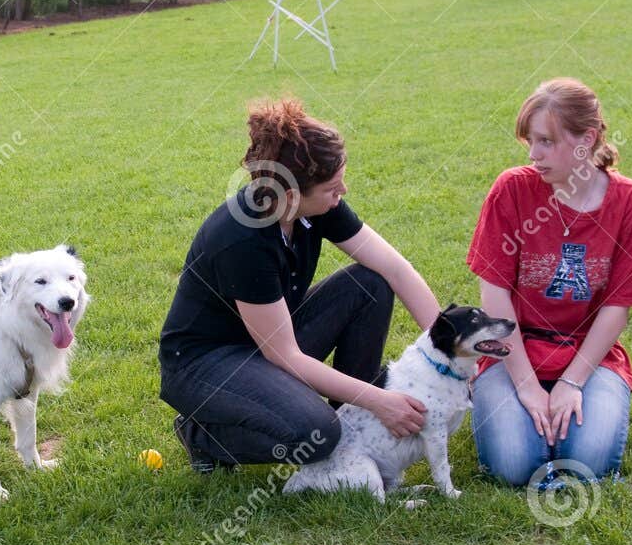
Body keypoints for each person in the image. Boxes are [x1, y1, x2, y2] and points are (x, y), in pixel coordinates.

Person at [159, 98, 441, 472]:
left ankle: (353, 424)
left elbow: (396, 269)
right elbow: (285, 355)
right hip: (205, 363)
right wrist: (379, 399)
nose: (343, 192)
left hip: (267, 340)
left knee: (371, 284)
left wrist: (448, 350)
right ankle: (200, 434)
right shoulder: (243, 239)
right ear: (291, 195)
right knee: (317, 433)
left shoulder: (315, 205)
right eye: (333, 188)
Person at [466, 78, 632, 486]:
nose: (533, 154)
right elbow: (494, 295)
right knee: (514, 465)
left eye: (546, 141)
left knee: (587, 462)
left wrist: (572, 382)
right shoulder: (512, 190)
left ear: (586, 140)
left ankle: (564, 422)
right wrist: (527, 386)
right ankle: (518, 415)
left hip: (590, 355)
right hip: (514, 350)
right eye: (530, 141)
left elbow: (617, 307)